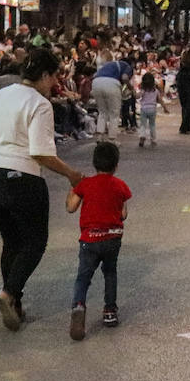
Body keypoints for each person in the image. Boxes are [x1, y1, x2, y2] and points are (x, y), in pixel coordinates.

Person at [0, 49, 84, 331]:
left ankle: (15, 302)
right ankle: (9, 293)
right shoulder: (40, 104)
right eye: (55, 77)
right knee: (35, 241)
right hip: (20, 177)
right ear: (45, 75)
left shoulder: (2, 94)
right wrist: (72, 174)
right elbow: (40, 152)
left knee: (12, 241)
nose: (56, 83)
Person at [66, 140, 130, 340]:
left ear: (94, 164)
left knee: (83, 277)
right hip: (112, 238)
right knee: (110, 273)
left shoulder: (85, 184)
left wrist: (73, 188)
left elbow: (71, 207)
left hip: (90, 238)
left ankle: (78, 306)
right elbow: (123, 214)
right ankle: (110, 311)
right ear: (116, 166)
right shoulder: (120, 185)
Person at [136, 72, 168, 148]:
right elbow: (160, 100)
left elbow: (138, 96)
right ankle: (153, 139)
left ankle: (142, 136)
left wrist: (134, 93)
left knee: (143, 124)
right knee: (152, 125)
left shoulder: (143, 90)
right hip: (153, 109)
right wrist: (165, 108)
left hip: (144, 109)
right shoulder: (155, 91)